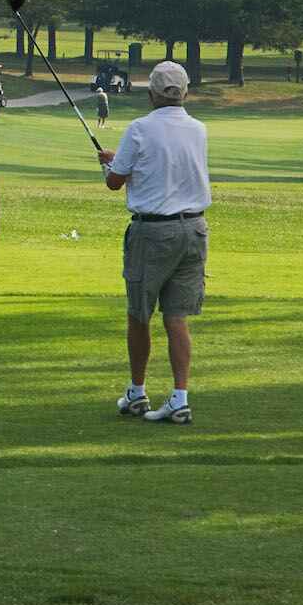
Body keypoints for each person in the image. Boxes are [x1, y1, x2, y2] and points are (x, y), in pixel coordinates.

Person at [100, 59, 211, 426]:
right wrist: (122, 165)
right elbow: (166, 168)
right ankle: (179, 398)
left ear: (151, 93)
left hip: (153, 233)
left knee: (139, 315)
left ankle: (137, 391)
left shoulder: (139, 129)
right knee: (177, 318)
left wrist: (112, 167)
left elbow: (115, 183)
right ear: (185, 92)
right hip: (193, 230)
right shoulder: (198, 129)